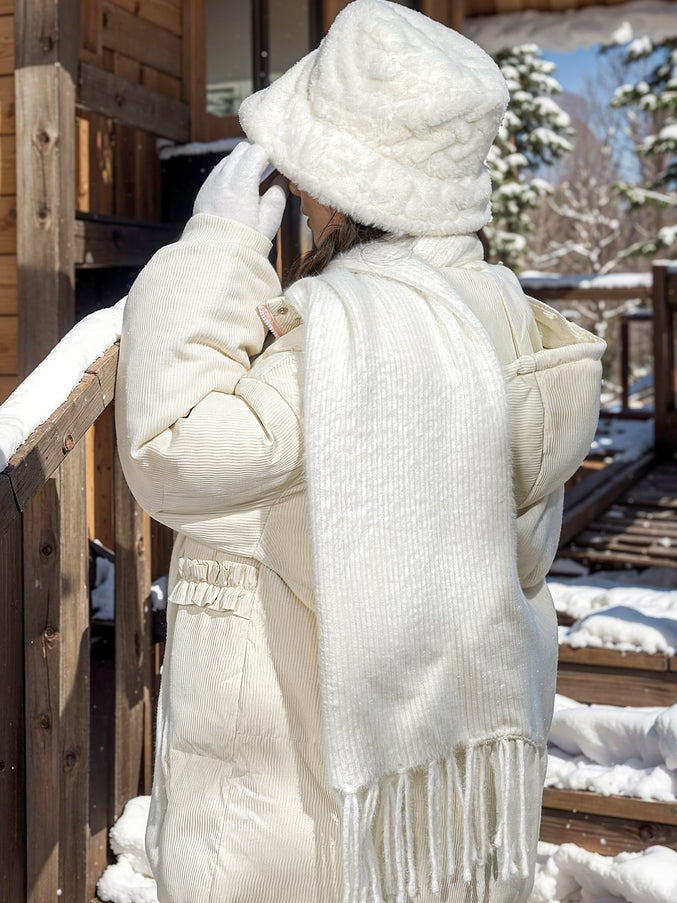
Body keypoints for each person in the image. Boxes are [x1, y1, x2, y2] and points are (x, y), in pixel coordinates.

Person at [115, 2, 605, 901]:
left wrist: (218, 241)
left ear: (342, 187)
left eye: (306, 170)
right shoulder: (498, 321)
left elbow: (169, 448)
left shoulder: (352, 349)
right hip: (435, 813)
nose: (296, 190)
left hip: (294, 824)